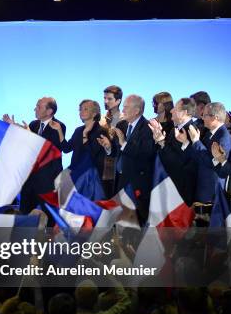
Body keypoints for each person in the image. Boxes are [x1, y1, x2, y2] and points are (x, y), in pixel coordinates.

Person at [4, 97, 65, 217]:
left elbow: (47, 150)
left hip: (48, 181)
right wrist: (14, 127)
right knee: (25, 215)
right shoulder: (33, 124)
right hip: (29, 178)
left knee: (49, 217)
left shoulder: (58, 126)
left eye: (38, 107)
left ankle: (48, 236)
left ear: (49, 111)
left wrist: (30, 135)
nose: (35, 109)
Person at [98, 95, 155, 223]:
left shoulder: (148, 128)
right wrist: (108, 148)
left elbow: (146, 155)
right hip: (120, 181)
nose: (122, 110)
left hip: (137, 184)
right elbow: (118, 152)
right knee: (120, 224)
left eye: (126, 107)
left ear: (137, 110)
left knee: (135, 225)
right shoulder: (121, 125)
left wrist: (124, 143)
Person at [177, 102, 231, 203]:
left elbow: (214, 164)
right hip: (203, 192)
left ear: (214, 117)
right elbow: (199, 157)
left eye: (205, 115)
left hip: (212, 196)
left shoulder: (224, 137)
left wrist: (196, 141)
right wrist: (186, 142)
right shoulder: (209, 134)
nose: (202, 118)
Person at [52, 100, 109, 193]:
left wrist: (85, 135)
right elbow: (67, 149)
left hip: (90, 179)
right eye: (80, 109)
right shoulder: (78, 130)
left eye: (85, 109)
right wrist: (59, 130)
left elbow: (93, 155)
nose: (81, 112)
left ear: (94, 113)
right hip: (75, 175)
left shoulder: (101, 131)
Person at [150, 98, 199, 206]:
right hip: (167, 186)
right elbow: (164, 157)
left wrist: (162, 142)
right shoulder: (173, 130)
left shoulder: (193, 131)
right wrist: (159, 140)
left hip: (181, 192)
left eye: (175, 108)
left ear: (184, 112)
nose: (171, 111)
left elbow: (179, 162)